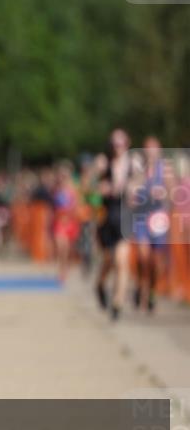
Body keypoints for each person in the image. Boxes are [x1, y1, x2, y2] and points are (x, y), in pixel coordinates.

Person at [95, 128, 132, 321]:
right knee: (109, 262)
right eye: (115, 144)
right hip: (107, 219)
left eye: (122, 144)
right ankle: (100, 285)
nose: (118, 148)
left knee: (122, 262)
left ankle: (117, 303)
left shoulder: (133, 167)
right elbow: (90, 188)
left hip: (125, 219)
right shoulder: (104, 165)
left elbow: (140, 189)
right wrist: (102, 188)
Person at [131, 136, 171, 313]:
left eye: (154, 149)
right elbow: (131, 194)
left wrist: (162, 193)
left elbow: (173, 194)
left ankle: (153, 291)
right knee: (142, 257)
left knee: (155, 262)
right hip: (141, 217)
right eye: (148, 149)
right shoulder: (139, 170)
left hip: (158, 219)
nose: (151, 153)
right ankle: (140, 285)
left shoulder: (166, 169)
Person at [51, 160, 80, 282]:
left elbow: (76, 204)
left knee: (68, 248)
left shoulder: (73, 188)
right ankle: (61, 270)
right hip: (59, 221)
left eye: (65, 174)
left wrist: (70, 214)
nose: (62, 177)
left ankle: (65, 268)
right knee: (60, 246)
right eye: (60, 174)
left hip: (70, 221)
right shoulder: (56, 188)